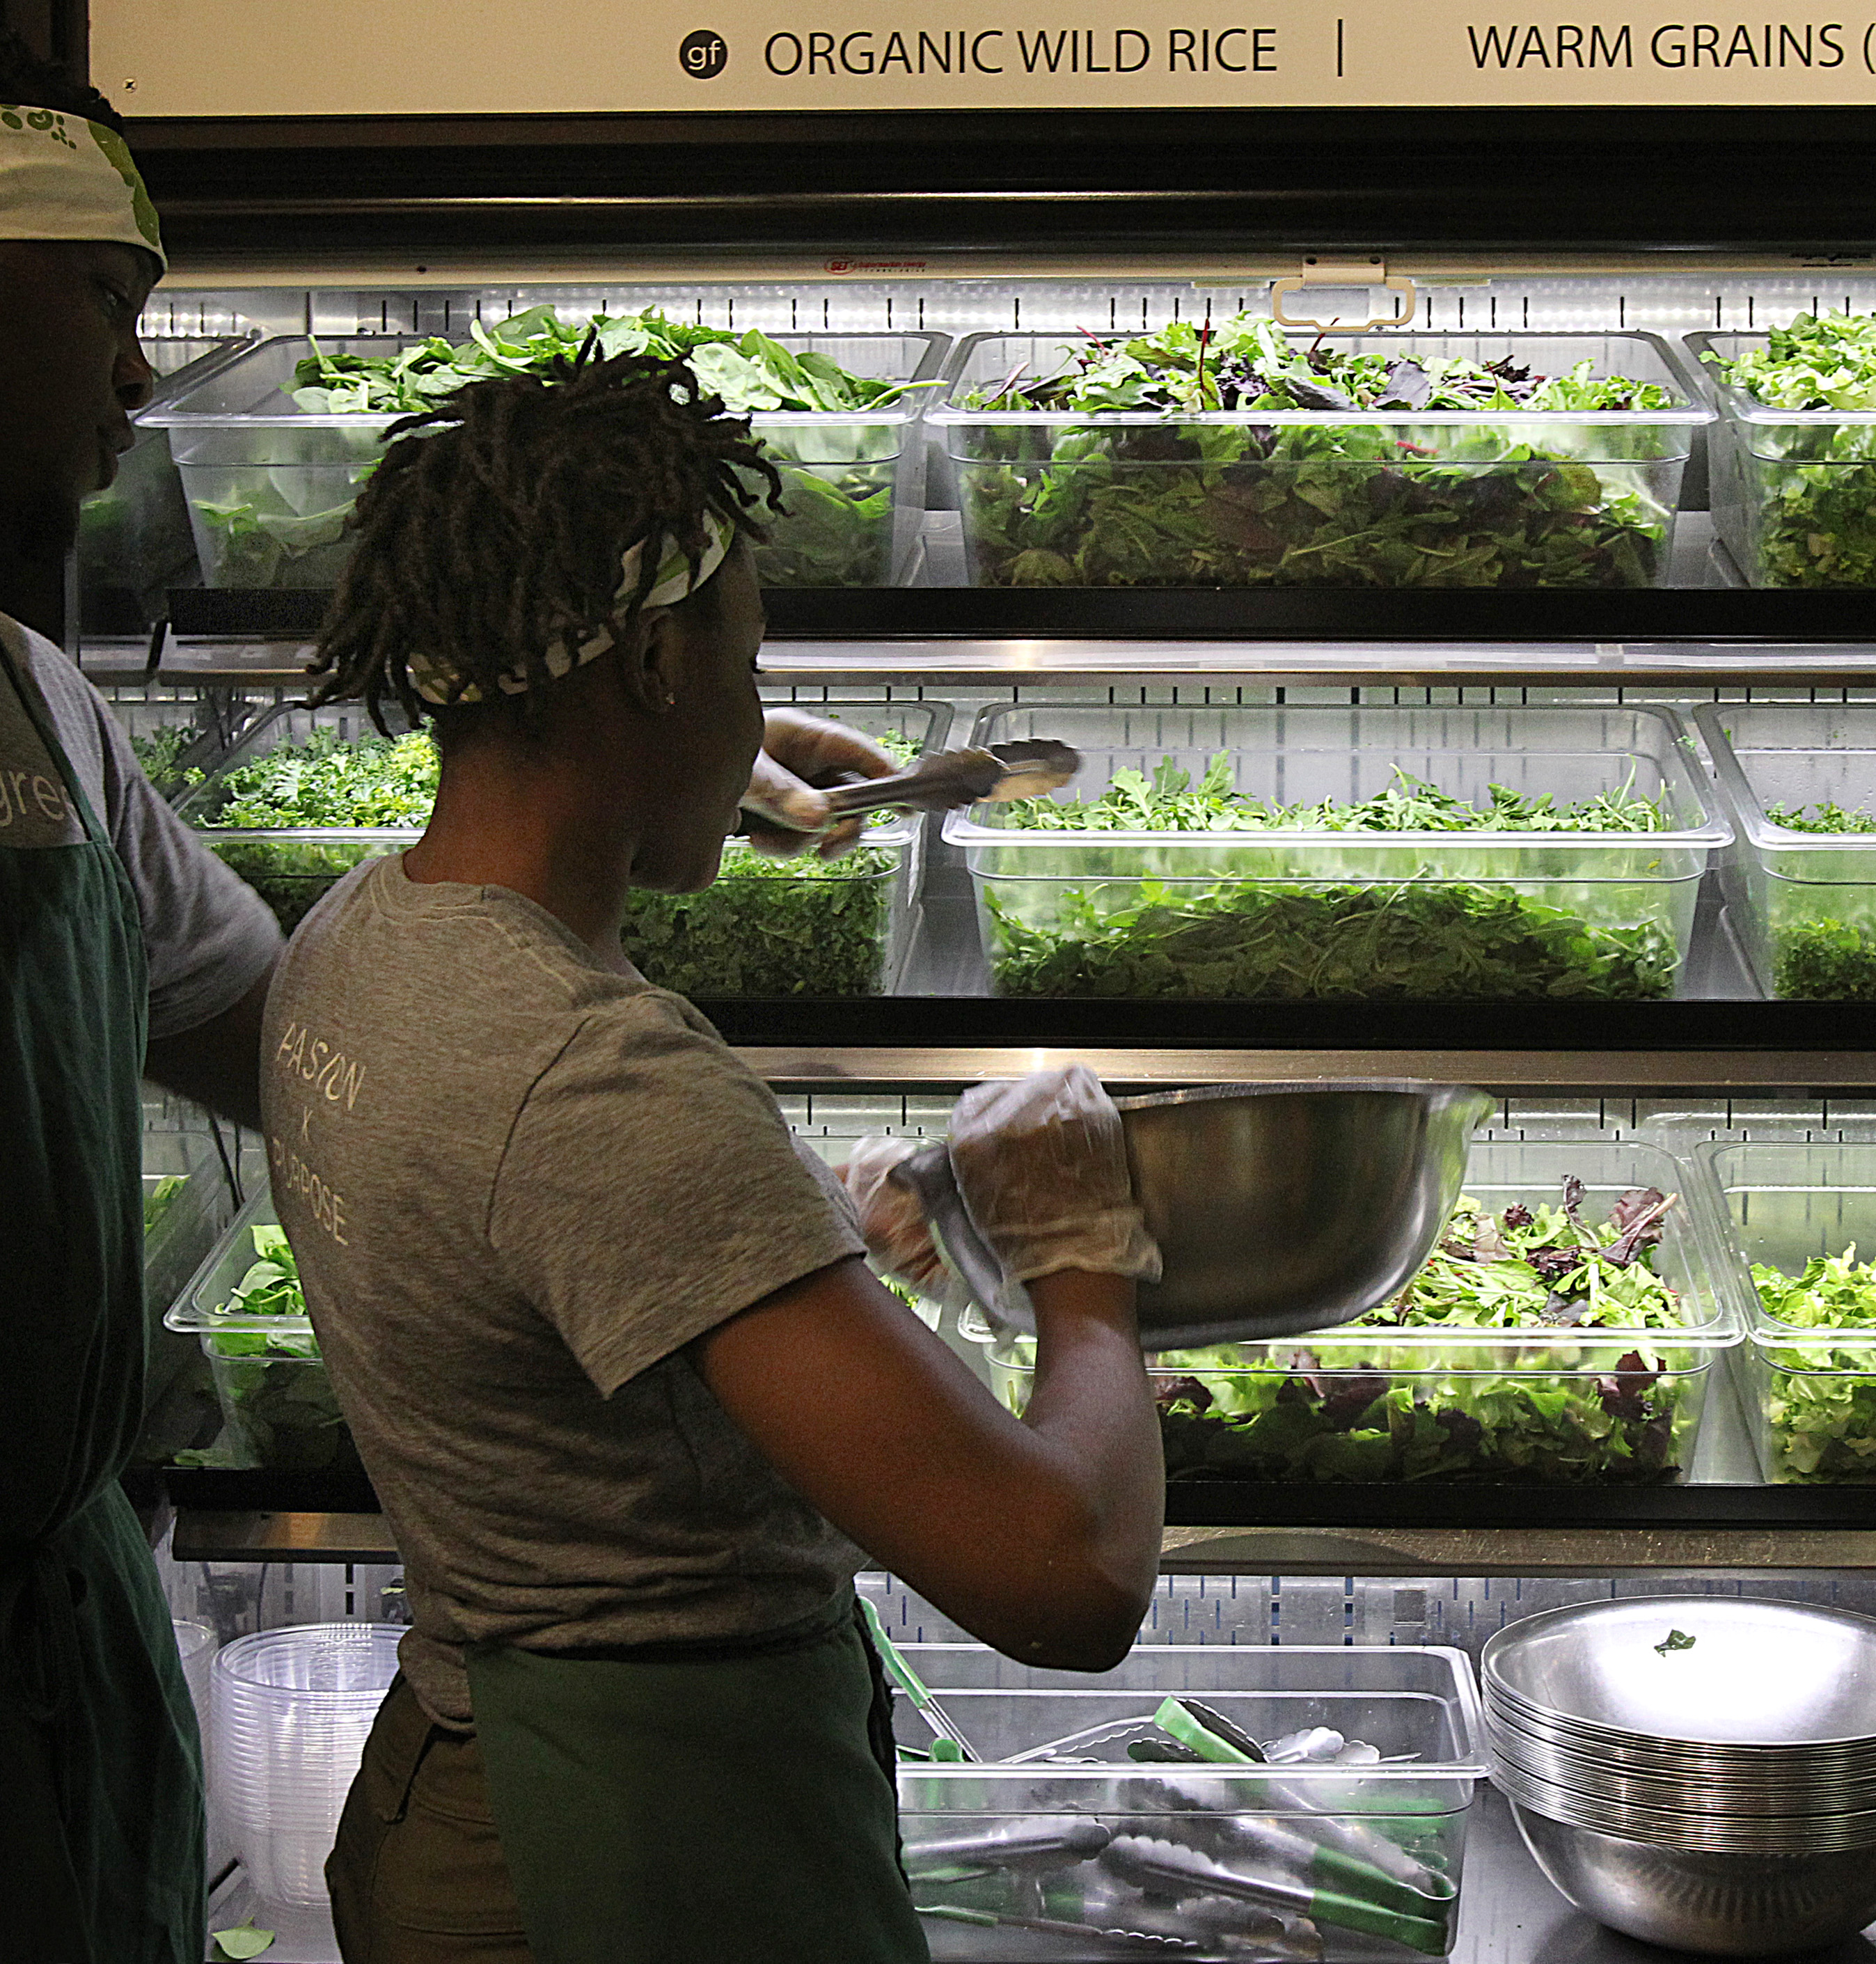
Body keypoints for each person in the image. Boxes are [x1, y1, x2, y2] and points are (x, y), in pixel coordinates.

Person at [262, 350, 1167, 1964]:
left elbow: (534, 1238)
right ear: (657, 660)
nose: (765, 708)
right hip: (633, 1844)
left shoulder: (353, 935)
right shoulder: (601, 1086)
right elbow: (1068, 1579)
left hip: (455, 1778)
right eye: (746, 662)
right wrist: (1082, 1257)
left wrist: (784, 1242)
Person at [0, 38, 285, 1964]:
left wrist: (607, 782)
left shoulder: (49, 708)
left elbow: (297, 1034)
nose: (136, 375)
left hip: (61, 1646)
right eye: (107, 297)